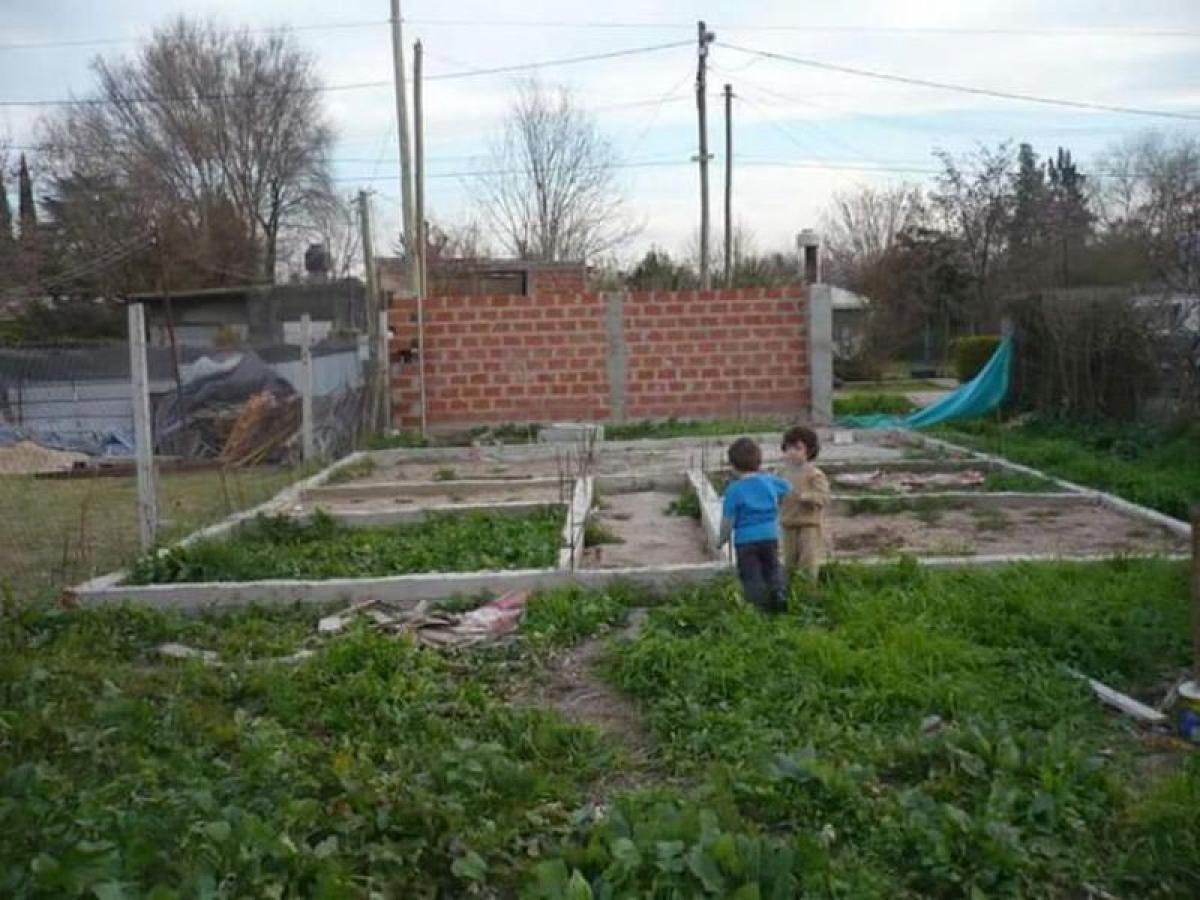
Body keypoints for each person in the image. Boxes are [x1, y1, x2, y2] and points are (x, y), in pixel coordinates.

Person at [718, 436, 791, 613]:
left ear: (733, 466)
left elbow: (728, 520)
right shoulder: (769, 480)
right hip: (770, 534)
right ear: (759, 461)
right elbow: (788, 488)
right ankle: (779, 594)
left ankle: (758, 606)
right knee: (772, 567)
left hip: (745, 540)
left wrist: (722, 540)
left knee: (751, 574)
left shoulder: (734, 490)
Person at [778, 425, 831, 582]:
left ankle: (807, 594)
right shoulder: (782, 473)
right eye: (788, 448)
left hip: (808, 525)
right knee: (789, 563)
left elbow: (823, 497)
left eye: (798, 448)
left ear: (809, 451)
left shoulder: (814, 474)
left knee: (808, 563)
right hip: (787, 524)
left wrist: (808, 496)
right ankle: (790, 593)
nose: (792, 452)